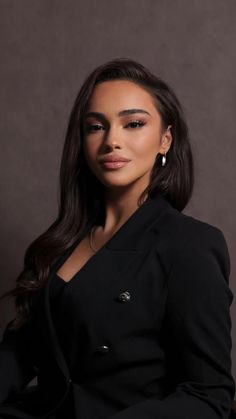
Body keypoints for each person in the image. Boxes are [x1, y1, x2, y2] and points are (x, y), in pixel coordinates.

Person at [0, 57, 235, 419]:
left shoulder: (189, 245)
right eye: (96, 127)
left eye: (134, 124)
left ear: (165, 139)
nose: (112, 141)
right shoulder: (60, 242)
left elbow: (208, 394)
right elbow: (19, 355)